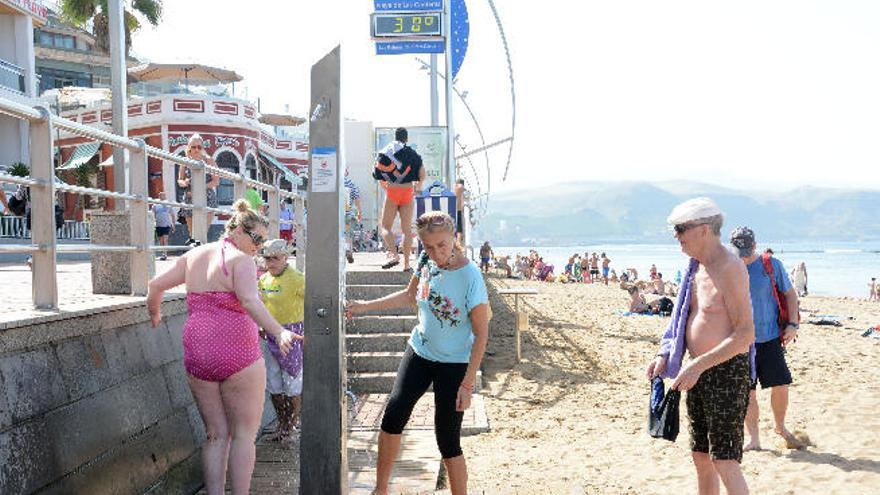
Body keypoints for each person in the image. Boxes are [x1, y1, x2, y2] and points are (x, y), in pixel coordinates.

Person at [146, 199, 300, 494]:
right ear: (239, 230)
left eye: (263, 243)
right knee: (243, 435)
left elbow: (155, 286)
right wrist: (278, 331)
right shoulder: (240, 260)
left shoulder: (195, 255)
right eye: (256, 239)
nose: (259, 247)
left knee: (216, 435)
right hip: (237, 352)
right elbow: (249, 300)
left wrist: (155, 314)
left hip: (198, 352)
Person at [346, 211, 490, 495]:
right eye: (429, 246)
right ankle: (380, 489)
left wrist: (468, 383)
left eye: (442, 245)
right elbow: (409, 296)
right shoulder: (425, 262)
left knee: (447, 439)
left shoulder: (471, 275)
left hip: (454, 363)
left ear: (454, 239)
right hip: (420, 352)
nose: (436, 252)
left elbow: (482, 332)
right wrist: (363, 306)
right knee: (393, 416)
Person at [646, 198, 754, 495]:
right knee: (701, 456)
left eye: (681, 229)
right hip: (697, 371)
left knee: (725, 460)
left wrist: (698, 365)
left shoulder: (730, 268)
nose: (676, 236)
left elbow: (745, 334)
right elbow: (683, 318)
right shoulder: (695, 267)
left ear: (704, 230)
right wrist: (665, 354)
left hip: (725, 372)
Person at [730, 226, 803, 451]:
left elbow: (790, 294)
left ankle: (779, 427)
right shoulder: (728, 268)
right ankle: (754, 439)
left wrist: (793, 324)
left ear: (755, 244)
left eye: (746, 250)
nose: (743, 256)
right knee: (748, 391)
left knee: (781, 384)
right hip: (742, 341)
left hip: (770, 338)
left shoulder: (771, 265)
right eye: (738, 251)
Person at [257, 239, 306, 446]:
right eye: (267, 258)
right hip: (271, 336)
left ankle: (290, 426)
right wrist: (261, 324)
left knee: (293, 384)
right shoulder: (264, 280)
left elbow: (312, 301)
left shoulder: (297, 279)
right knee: (274, 385)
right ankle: (282, 423)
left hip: (293, 334)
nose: (270, 263)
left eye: (275, 258)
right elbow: (259, 305)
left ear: (286, 258)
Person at [374, 127, 425, 271]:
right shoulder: (412, 153)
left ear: (395, 137)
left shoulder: (386, 151)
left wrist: (387, 187)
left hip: (393, 190)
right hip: (408, 190)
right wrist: (418, 188)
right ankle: (407, 264)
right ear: (406, 139)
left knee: (385, 226)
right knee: (407, 230)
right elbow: (422, 174)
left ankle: (395, 255)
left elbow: (379, 174)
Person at [178, 134, 221, 245]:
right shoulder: (185, 161)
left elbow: (216, 181)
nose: (196, 149)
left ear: (202, 148)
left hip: (207, 199)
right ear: (189, 148)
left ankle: (201, 258)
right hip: (189, 199)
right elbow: (180, 180)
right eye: (193, 147)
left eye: (199, 147)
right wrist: (184, 183)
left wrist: (200, 189)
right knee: (193, 236)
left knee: (201, 235)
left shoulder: (208, 161)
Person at [344, 169, 363, 263]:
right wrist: (360, 212)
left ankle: (339, 252)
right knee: (348, 234)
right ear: (346, 172)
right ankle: (349, 250)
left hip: (335, 213)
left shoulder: (333, 181)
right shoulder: (351, 183)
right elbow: (357, 198)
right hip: (348, 213)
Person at [151, 192, 175, 261]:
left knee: (165, 239)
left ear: (165, 196)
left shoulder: (168, 204)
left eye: (163, 195)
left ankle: (165, 254)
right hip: (159, 225)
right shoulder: (155, 205)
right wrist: (153, 223)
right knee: (161, 240)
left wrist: (173, 224)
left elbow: (172, 215)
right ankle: (163, 254)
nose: (162, 196)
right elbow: (152, 214)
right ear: (159, 196)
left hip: (166, 224)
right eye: (161, 195)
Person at [453, 178, 467, 244]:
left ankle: (457, 242)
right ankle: (458, 243)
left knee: (457, 229)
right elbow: (460, 187)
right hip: (458, 210)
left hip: (455, 210)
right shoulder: (460, 188)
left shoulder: (454, 189)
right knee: (459, 230)